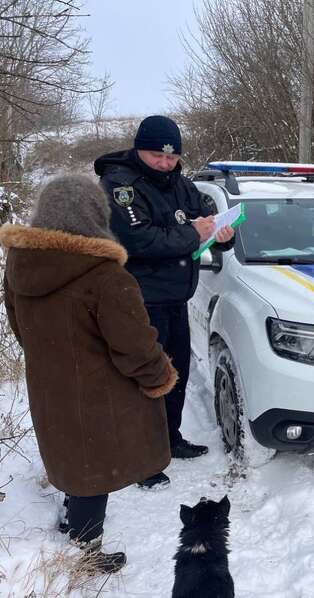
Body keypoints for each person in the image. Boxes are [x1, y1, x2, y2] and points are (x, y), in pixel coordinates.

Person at [0, 175, 178, 574]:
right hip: (101, 395)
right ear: (95, 215)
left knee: (72, 457)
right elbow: (135, 347)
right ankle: (87, 552)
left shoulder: (20, 264)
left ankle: (72, 518)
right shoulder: (106, 277)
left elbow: (19, 326)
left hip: (50, 385)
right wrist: (159, 377)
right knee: (96, 468)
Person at [94, 115, 235, 489]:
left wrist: (222, 233)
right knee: (145, 379)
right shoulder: (120, 186)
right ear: (139, 149)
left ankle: (170, 439)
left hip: (175, 298)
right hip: (139, 301)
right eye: (157, 155)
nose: (164, 163)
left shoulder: (180, 184)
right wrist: (193, 232)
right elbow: (140, 240)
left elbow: (205, 217)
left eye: (172, 157)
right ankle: (142, 458)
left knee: (176, 374)